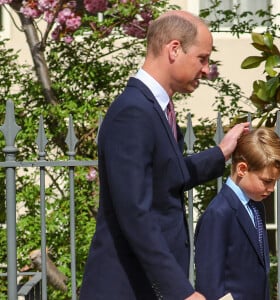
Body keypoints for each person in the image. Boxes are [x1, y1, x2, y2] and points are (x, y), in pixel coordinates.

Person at [79, 10, 249, 300]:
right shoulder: (133, 112)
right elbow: (135, 212)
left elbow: (170, 175)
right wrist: (181, 291)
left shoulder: (156, 108)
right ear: (174, 49)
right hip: (125, 288)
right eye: (202, 58)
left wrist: (222, 152)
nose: (207, 69)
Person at [194, 128, 280, 300]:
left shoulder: (256, 206)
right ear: (242, 169)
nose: (271, 189)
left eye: (275, 182)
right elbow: (209, 284)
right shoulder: (219, 213)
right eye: (267, 181)